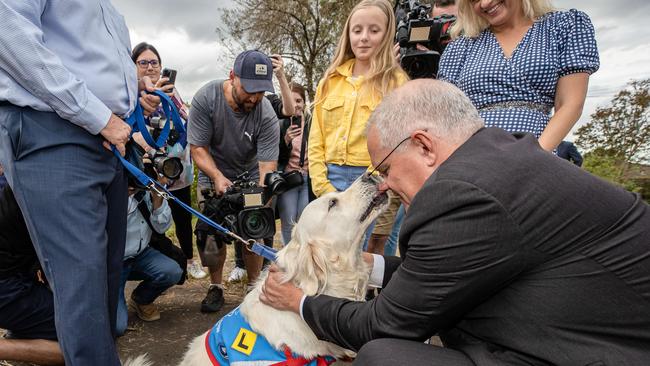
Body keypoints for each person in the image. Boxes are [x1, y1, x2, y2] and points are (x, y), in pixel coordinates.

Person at [260, 79, 650, 365]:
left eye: (388, 168)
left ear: (424, 146)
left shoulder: (460, 195)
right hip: (585, 328)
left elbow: (384, 325)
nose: (388, 185)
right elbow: (441, 274)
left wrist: (301, 302)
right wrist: (372, 265)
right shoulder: (499, 158)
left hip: (601, 354)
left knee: (386, 357)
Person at [0, 2, 161, 364]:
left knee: (102, 295)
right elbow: (8, 33)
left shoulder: (110, 11)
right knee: (82, 296)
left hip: (105, 140)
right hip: (54, 131)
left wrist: (133, 92)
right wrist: (97, 114)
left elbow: (85, 60)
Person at [438, 0, 599, 152]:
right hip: (475, 158)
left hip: (538, 152)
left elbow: (570, 104)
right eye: (474, 0)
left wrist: (534, 157)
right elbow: (446, 119)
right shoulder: (461, 47)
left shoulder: (563, 26)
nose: (485, 3)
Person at [188, 50, 280, 312]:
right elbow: (198, 148)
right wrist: (217, 176)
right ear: (232, 77)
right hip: (212, 172)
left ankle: (253, 289)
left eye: (261, 91)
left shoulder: (266, 115)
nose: (255, 97)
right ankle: (216, 286)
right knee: (211, 240)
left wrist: (262, 199)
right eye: (249, 89)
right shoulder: (207, 98)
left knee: (254, 233)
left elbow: (267, 166)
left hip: (249, 176)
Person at [308, 0, 408, 199]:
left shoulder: (396, 82)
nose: (364, 38)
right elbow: (316, 138)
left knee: (362, 232)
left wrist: (372, 180)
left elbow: (397, 139)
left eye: (374, 30)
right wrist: (322, 185)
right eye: (357, 30)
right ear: (348, 35)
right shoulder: (330, 80)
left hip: (368, 178)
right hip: (328, 176)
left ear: (387, 34)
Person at [130, 42, 207, 280]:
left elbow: (186, 120)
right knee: (154, 218)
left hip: (177, 168)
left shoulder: (173, 93)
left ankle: (190, 260)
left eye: (154, 62)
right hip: (147, 168)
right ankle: (157, 265)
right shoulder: (130, 95)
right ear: (133, 67)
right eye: (143, 62)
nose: (150, 67)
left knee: (183, 218)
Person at [0, 185, 63, 365]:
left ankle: (22, 330)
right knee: (79, 338)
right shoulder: (34, 179)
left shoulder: (18, 175)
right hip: (7, 287)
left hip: (15, 274)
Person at [115, 180, 182, 336]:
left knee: (172, 271)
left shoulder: (147, 191)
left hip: (140, 255)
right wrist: (121, 195)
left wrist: (157, 198)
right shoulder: (109, 189)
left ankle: (141, 299)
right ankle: (110, 301)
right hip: (112, 262)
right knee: (117, 327)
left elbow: (162, 227)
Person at [277, 83, 311, 245]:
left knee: (304, 221)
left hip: (307, 178)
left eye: (299, 100)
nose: (296, 104)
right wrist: (286, 140)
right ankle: (288, 259)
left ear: (304, 102)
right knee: (288, 222)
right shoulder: (281, 124)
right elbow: (276, 157)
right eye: (291, 100)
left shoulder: (312, 123)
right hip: (289, 178)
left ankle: (300, 258)